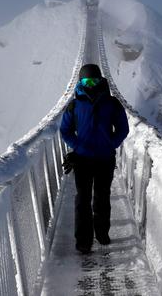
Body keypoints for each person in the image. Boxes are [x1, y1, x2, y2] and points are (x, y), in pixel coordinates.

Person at [60, 64, 129, 254]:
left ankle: (102, 234)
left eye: (94, 80)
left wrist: (110, 144)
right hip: (82, 159)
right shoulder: (74, 105)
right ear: (80, 82)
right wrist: (78, 146)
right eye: (86, 81)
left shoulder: (112, 103)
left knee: (102, 197)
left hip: (105, 159)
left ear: (101, 80)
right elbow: (64, 130)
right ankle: (83, 241)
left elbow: (123, 129)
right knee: (82, 199)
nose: (91, 84)